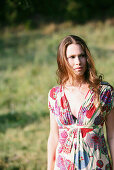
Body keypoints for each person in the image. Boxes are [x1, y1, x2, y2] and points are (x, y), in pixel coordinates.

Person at [47, 35, 114, 170]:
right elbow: (54, 137)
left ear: (87, 57)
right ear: (62, 61)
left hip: (97, 166)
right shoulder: (55, 95)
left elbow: (112, 136)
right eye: (71, 57)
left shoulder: (104, 92)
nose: (78, 61)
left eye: (81, 55)